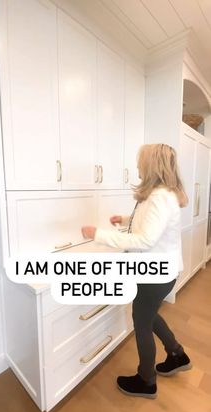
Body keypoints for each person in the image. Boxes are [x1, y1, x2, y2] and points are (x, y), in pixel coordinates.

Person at [81, 143, 192, 399]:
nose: (137, 165)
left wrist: (98, 234)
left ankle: (146, 380)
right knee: (149, 314)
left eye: (140, 161)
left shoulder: (159, 198)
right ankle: (176, 354)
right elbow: (149, 226)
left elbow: (145, 240)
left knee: (141, 320)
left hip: (155, 274)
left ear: (152, 165)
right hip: (159, 272)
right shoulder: (161, 194)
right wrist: (123, 219)